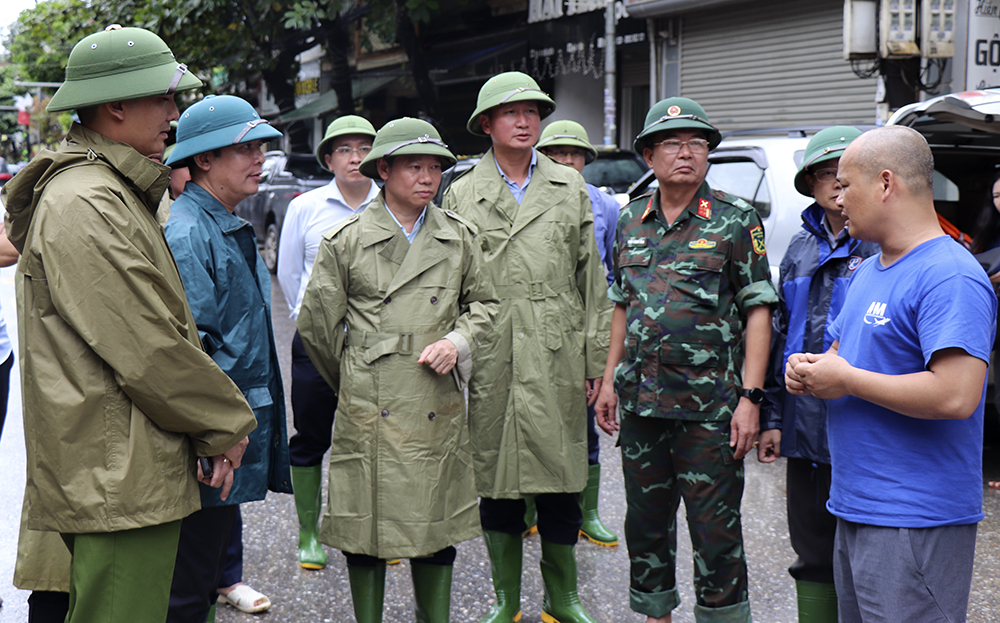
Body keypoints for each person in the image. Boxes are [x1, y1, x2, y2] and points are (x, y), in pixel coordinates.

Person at [0, 25, 256, 623]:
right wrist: (223, 422)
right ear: (116, 106)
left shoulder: (107, 190)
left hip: (116, 460)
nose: (174, 113)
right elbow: (146, 346)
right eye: (163, 99)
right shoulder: (88, 201)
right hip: (115, 469)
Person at [785, 126, 996, 623]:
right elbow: (840, 354)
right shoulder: (870, 268)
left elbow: (956, 395)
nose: (837, 199)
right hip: (857, 506)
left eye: (845, 184)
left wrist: (848, 381)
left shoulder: (949, 274)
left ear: (885, 184)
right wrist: (809, 370)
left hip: (915, 519)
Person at [298, 117, 498, 623]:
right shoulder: (346, 240)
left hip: (434, 400)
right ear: (383, 170)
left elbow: (488, 306)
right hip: (372, 400)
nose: (428, 177)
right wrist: (361, 374)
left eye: (435, 167)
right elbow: (318, 328)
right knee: (366, 530)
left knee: (435, 527)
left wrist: (456, 341)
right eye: (415, 166)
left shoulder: (458, 236)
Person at [594, 97, 777, 623]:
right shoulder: (630, 219)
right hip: (642, 407)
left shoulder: (735, 220)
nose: (686, 153)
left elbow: (759, 309)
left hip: (710, 410)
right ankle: (656, 615)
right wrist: (609, 382)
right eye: (672, 143)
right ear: (649, 156)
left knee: (715, 535)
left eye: (697, 143)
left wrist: (751, 398)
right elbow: (622, 307)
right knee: (645, 528)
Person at [442, 71, 612, 623]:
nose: (525, 121)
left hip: (556, 348)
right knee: (497, 476)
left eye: (533, 112)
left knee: (563, 474)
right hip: (491, 348)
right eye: (512, 113)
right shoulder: (463, 191)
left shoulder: (567, 186)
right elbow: (450, 280)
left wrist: (595, 363)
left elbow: (593, 282)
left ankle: (562, 597)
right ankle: (506, 598)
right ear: (486, 124)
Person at [162, 94, 292, 621]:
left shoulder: (220, 223)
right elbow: (194, 352)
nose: (260, 158)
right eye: (246, 148)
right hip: (213, 434)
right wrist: (214, 435)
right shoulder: (190, 231)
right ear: (204, 160)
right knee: (189, 585)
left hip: (225, 430)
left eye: (262, 146)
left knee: (203, 569)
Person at [757, 126, 877, 623]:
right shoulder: (800, 250)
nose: (834, 182)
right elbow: (780, 335)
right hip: (804, 431)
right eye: (823, 173)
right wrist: (771, 416)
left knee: (867, 558)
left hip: (865, 426)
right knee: (810, 552)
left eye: (842, 171)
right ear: (809, 182)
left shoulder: (880, 246)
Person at [276, 114, 380, 570]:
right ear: (329, 158)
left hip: (378, 344)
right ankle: (309, 533)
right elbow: (288, 273)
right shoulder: (307, 206)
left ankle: (377, 529)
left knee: (377, 436)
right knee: (312, 435)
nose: (355, 158)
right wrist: (309, 320)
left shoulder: (390, 203)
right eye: (344, 150)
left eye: (363, 148)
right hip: (317, 341)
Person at [535, 119, 618, 547]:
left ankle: (588, 512)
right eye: (557, 154)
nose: (567, 161)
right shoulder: (531, 198)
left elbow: (605, 273)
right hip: (535, 325)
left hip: (582, 327)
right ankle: (530, 507)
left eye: (575, 154)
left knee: (582, 423)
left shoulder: (604, 204)